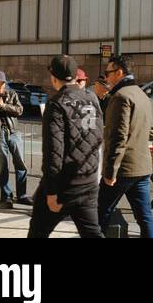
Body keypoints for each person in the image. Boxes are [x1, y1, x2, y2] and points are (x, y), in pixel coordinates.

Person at [28, 55, 105, 238]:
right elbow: (98, 136)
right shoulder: (92, 98)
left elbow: (53, 151)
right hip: (88, 180)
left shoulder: (56, 104)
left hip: (64, 185)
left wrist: (52, 191)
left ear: (54, 77)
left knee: (38, 232)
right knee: (92, 232)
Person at [99, 54, 153, 238]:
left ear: (119, 73)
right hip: (142, 167)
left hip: (123, 169)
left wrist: (110, 171)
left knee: (100, 213)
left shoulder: (120, 96)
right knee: (145, 216)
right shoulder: (141, 94)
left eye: (108, 73)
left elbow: (118, 137)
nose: (106, 77)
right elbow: (150, 130)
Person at [0, 71, 30, 208]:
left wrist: (3, 105)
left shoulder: (12, 94)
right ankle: (7, 196)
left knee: (20, 163)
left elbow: (19, 110)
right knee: (2, 166)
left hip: (13, 132)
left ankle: (22, 195)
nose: (0, 86)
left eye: (2, 83)